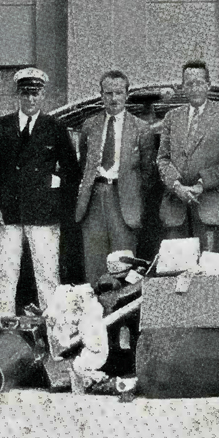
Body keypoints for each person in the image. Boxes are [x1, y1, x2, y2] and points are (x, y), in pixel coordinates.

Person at [0, 68, 81, 317]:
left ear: (43, 95)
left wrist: (54, 195)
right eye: (26, 94)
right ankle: (3, 327)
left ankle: (53, 330)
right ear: (18, 95)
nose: (30, 100)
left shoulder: (55, 128)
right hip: (8, 213)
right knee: (5, 273)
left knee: (47, 274)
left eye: (35, 94)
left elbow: (71, 171)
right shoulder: (0, 128)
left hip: (43, 214)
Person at [74, 70, 154, 287]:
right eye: (108, 93)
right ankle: (95, 315)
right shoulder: (90, 125)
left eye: (119, 93)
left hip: (124, 200)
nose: (114, 98)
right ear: (101, 95)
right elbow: (84, 165)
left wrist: (133, 195)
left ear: (127, 95)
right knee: (95, 263)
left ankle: (121, 316)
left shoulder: (141, 128)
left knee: (123, 264)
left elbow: (148, 172)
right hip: (94, 199)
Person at [156, 60, 219, 252]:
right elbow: (162, 158)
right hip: (175, 205)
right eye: (189, 83)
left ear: (208, 85)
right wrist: (176, 186)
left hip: (210, 202)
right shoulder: (171, 117)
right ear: (183, 87)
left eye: (199, 82)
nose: (194, 88)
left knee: (209, 269)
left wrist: (201, 185)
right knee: (175, 267)